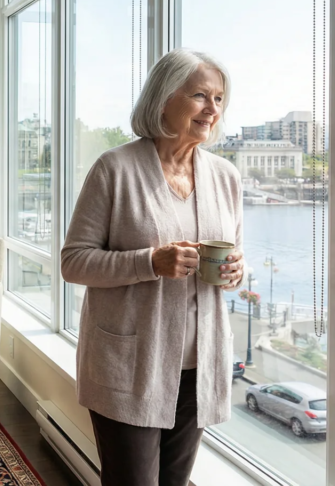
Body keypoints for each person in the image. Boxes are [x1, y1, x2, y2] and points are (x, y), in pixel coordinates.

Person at [61, 48, 245, 485]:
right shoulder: (114, 169)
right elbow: (74, 262)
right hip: (131, 364)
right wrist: (150, 262)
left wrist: (236, 271)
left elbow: (236, 255)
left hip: (199, 365)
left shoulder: (225, 177)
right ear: (164, 97)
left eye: (219, 99)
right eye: (201, 95)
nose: (212, 109)